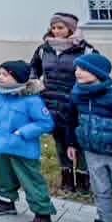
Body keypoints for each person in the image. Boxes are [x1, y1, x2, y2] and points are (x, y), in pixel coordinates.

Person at [65, 54, 112, 222]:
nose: (77, 72)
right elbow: (71, 120)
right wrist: (71, 143)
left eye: (83, 69)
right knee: (100, 189)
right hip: (92, 151)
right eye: (77, 68)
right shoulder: (77, 93)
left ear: (98, 73)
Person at [29, 12, 97, 193]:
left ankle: (83, 180)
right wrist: (35, 83)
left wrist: (85, 89)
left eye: (61, 27)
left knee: (79, 140)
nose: (56, 31)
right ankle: (66, 178)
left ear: (71, 29)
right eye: (53, 27)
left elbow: (97, 71)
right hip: (51, 101)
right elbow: (33, 67)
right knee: (59, 139)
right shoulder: (44, 49)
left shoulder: (85, 50)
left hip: (76, 102)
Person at [0, 60, 56, 222]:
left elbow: (45, 123)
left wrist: (22, 132)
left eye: (4, 74)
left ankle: (43, 213)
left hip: (23, 149)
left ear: (17, 78)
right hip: (2, 146)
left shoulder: (31, 100)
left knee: (31, 180)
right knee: (4, 176)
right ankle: (6, 202)